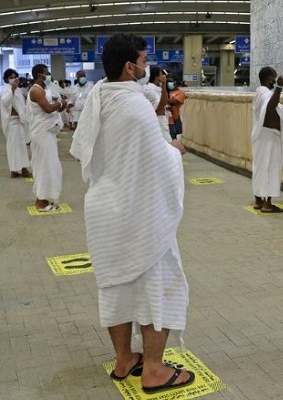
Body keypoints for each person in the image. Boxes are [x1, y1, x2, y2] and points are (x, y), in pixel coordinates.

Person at [69, 34, 193, 394]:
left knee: (116, 288)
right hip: (138, 214)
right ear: (130, 67)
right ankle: (153, 369)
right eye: (143, 58)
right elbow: (155, 162)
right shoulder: (134, 105)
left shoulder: (99, 95)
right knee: (160, 284)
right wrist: (175, 150)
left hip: (104, 211)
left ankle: (125, 359)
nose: (146, 64)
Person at [251, 66, 283, 213]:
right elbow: (270, 107)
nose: (275, 81)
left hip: (263, 137)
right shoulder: (264, 93)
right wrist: (279, 87)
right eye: (274, 78)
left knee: (260, 168)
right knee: (270, 169)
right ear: (269, 79)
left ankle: (259, 200)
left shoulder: (261, 93)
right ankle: (267, 204)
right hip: (269, 138)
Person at [27, 64, 66, 211]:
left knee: (50, 165)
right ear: (39, 75)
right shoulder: (36, 90)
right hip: (41, 133)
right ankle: (41, 201)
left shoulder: (46, 89)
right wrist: (61, 103)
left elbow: (56, 106)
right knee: (44, 166)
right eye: (46, 73)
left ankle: (44, 197)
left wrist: (62, 104)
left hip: (49, 131)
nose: (49, 75)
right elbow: (48, 109)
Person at [0, 69, 32, 178]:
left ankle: (20, 169)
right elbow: (5, 101)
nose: (13, 79)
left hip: (19, 121)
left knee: (20, 145)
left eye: (15, 77)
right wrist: (12, 90)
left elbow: (21, 105)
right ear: (6, 79)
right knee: (14, 146)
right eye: (11, 77)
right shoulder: (6, 89)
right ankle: (18, 169)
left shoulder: (17, 90)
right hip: (12, 122)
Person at [143, 66, 172, 143]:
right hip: (158, 120)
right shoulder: (149, 88)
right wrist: (164, 84)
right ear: (156, 77)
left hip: (163, 119)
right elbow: (162, 103)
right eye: (160, 74)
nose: (163, 76)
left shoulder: (157, 87)